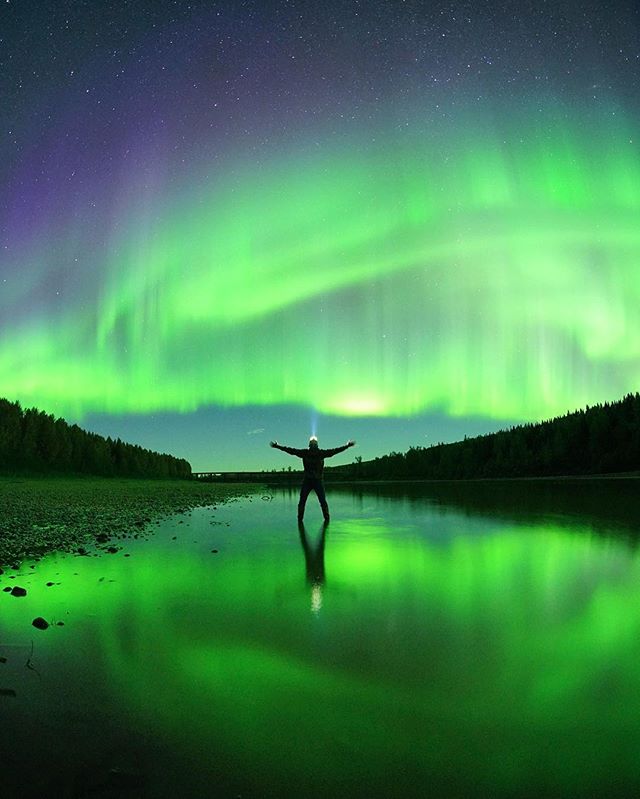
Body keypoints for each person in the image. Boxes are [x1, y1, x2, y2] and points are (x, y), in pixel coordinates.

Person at [270, 436, 355, 522]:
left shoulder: (312, 453)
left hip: (314, 481)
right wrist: (347, 446)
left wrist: (278, 446)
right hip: (311, 481)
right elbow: (291, 450)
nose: (313, 445)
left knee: (317, 502)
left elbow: (335, 451)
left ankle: (320, 519)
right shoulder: (313, 453)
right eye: (313, 443)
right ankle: (305, 520)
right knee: (310, 502)